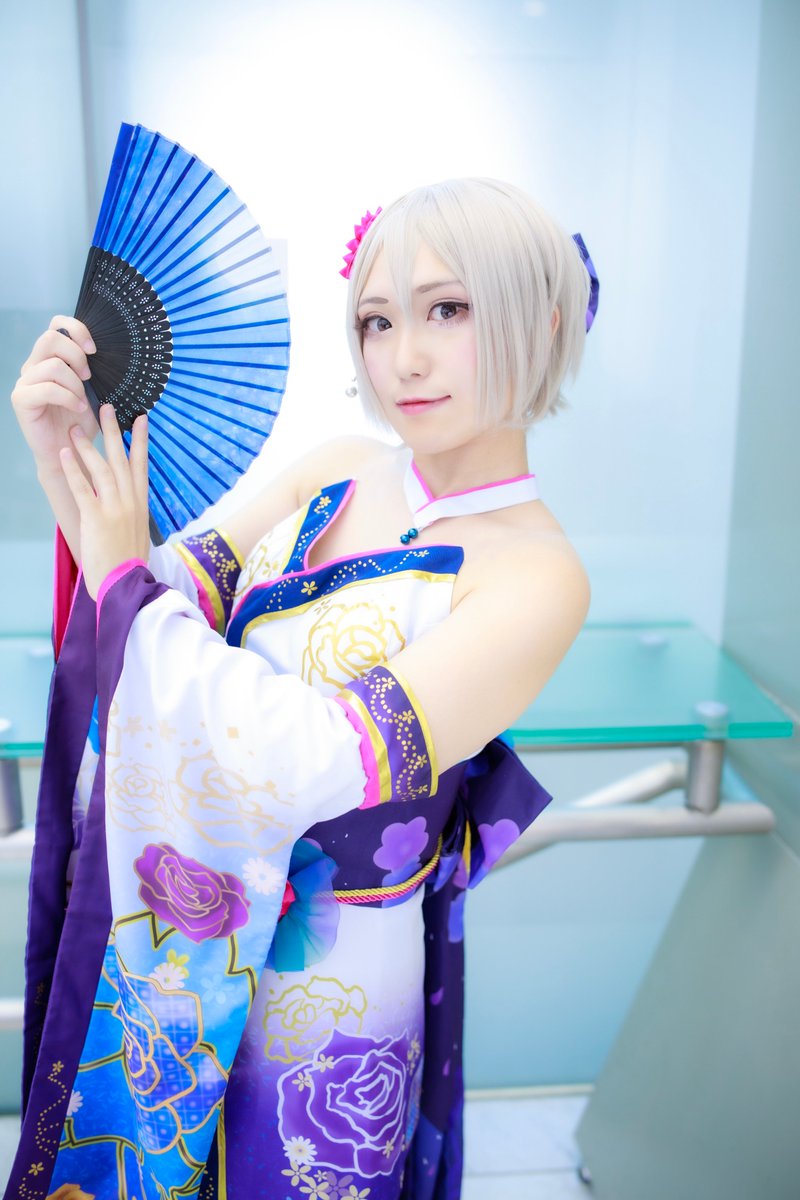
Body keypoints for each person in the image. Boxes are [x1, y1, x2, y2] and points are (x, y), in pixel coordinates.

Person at [7, 177, 596, 1200]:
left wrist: (125, 577)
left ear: (541, 320)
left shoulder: (539, 576)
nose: (403, 357)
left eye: (447, 309)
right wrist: (69, 458)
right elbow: (153, 595)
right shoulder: (337, 466)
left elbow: (315, 754)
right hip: (193, 935)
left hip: (337, 985)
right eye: (377, 320)